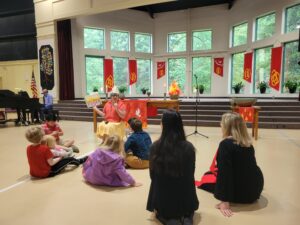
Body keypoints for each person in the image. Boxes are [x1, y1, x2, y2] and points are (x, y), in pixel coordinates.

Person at [146, 110, 199, 225]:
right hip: (186, 198)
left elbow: (152, 176)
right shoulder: (189, 148)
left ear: (164, 125)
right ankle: (185, 217)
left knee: (168, 216)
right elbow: (190, 174)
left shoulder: (155, 147)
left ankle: (172, 219)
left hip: (164, 199)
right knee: (186, 213)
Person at [212, 112, 264, 217]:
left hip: (241, 195)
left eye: (222, 123)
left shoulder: (225, 145)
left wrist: (225, 200)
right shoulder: (248, 143)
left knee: (208, 180)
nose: (220, 125)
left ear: (227, 127)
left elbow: (225, 173)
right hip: (254, 190)